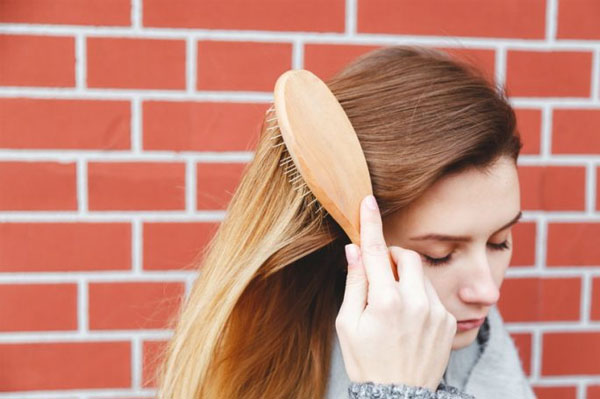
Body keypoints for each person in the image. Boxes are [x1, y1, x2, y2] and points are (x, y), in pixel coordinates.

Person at [154, 45, 536, 399]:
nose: (487, 291)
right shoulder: (255, 361)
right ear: (343, 247)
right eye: (439, 254)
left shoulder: (482, 344)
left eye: (499, 241)